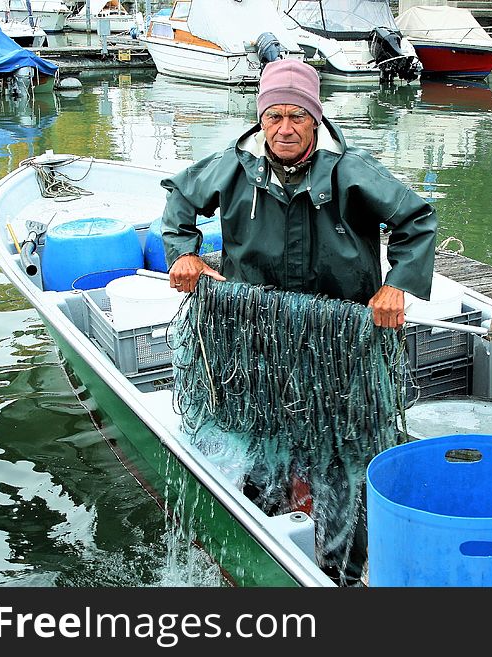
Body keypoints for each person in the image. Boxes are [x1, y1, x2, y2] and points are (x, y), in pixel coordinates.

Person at [159, 59, 438, 584]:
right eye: (274, 117)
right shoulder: (235, 168)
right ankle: (269, 540)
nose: (284, 129)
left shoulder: (350, 171)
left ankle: (341, 573)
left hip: (341, 345)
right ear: (260, 119)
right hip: (256, 338)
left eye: (297, 117)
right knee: (265, 441)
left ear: (315, 119)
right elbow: (179, 200)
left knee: (344, 453)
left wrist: (397, 283)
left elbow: (416, 219)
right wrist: (184, 253)